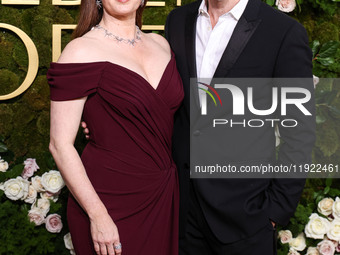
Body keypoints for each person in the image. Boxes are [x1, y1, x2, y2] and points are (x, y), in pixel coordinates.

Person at [165, 0, 316, 254]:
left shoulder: (283, 31)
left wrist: (274, 210)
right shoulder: (178, 20)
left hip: (245, 218)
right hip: (182, 213)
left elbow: (299, 131)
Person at [47, 0, 184, 253]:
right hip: (107, 200)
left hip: (163, 193)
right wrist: (97, 215)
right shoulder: (80, 51)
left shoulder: (162, 44)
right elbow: (59, 145)